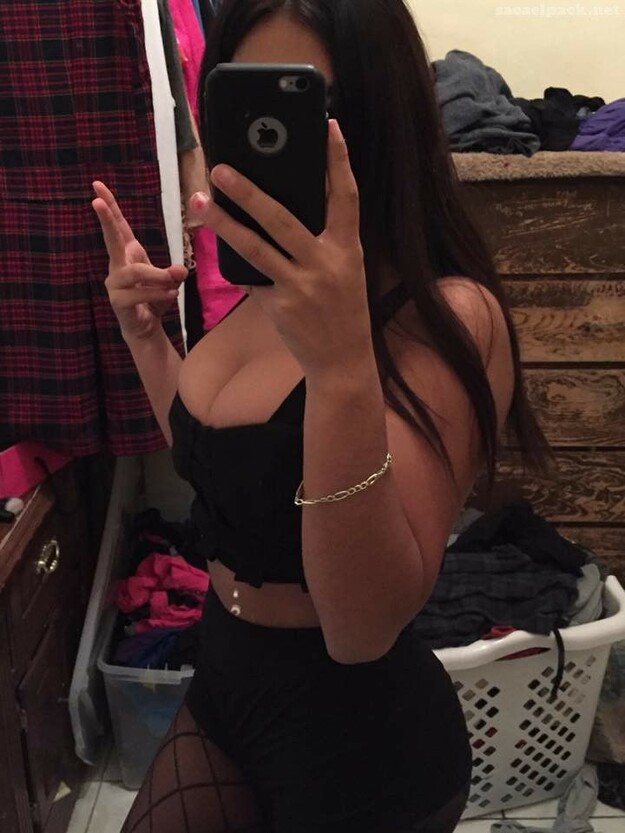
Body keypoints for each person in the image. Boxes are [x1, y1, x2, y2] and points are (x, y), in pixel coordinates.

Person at [92, 2, 553, 831]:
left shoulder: (443, 315)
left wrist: (341, 367)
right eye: (240, 96)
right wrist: (144, 336)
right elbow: (216, 462)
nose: (269, 135)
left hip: (358, 743)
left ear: (380, 114)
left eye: (308, 101)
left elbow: (359, 627)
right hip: (224, 686)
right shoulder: (269, 290)